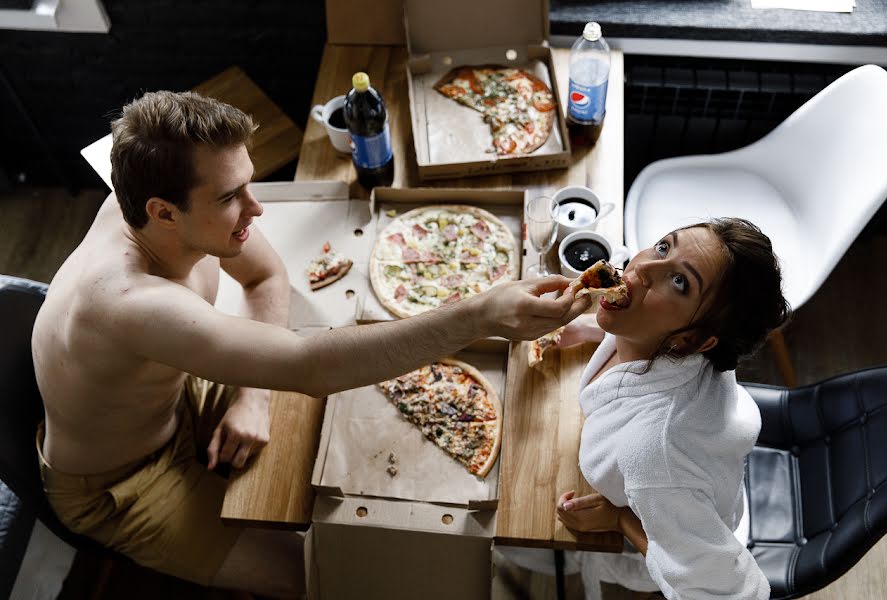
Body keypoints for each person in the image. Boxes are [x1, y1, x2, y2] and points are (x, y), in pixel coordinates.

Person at [31, 90, 591, 599]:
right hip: (123, 482)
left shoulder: (153, 201)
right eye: (231, 196)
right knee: (333, 579)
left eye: (249, 183)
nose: (256, 209)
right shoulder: (129, 302)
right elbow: (310, 365)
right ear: (162, 212)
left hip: (174, 394)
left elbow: (266, 277)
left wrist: (252, 395)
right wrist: (479, 315)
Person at [552, 218, 790, 599]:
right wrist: (592, 331)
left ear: (694, 340)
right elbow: (651, 334)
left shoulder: (655, 456)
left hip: (665, 539)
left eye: (679, 282)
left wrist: (619, 518)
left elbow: (728, 593)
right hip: (692, 491)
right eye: (664, 247)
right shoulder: (675, 346)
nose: (642, 266)